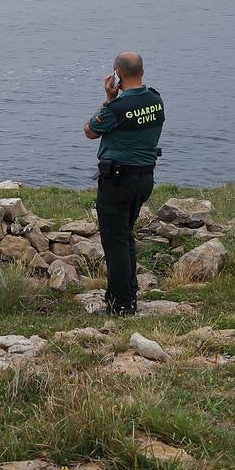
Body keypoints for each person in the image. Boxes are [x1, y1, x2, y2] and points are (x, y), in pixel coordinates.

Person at [83, 52, 165, 315]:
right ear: (142, 71)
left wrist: (109, 99)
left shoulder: (118, 108)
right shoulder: (156, 100)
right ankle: (128, 297)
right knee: (124, 236)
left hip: (118, 181)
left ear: (117, 73)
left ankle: (120, 305)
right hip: (144, 179)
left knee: (114, 241)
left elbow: (90, 130)